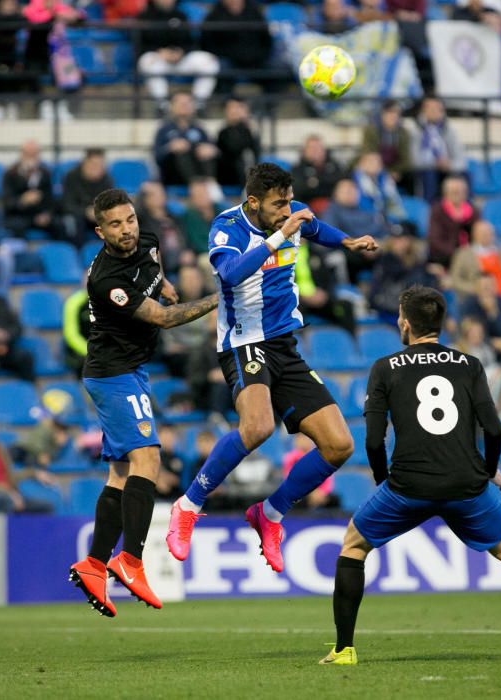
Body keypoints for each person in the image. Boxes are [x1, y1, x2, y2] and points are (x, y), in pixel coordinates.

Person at [320, 285, 501, 666]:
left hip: (408, 485)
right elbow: (494, 429)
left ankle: (345, 649)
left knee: (354, 547)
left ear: (406, 323)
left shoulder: (384, 368)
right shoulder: (470, 364)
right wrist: (486, 469)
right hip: (466, 483)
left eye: (400, 315)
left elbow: (374, 440)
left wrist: (385, 480)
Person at [165, 163, 378, 572]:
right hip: (245, 342)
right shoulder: (226, 228)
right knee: (258, 426)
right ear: (253, 202)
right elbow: (229, 274)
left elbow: (315, 229)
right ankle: (188, 505)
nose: (286, 211)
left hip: (283, 344)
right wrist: (282, 233)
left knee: (339, 445)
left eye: (288, 203)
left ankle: (271, 514)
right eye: (278, 205)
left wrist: (347, 242)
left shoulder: (290, 213)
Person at [69, 188, 218, 618]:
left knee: (119, 474)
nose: (127, 230)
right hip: (112, 373)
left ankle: (95, 563)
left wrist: (168, 287)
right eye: (115, 225)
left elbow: (156, 276)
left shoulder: (149, 240)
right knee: (148, 458)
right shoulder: (104, 280)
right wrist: (217, 299)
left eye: (129, 219)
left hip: (130, 370)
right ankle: (130, 560)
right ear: (101, 231)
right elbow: (164, 320)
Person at [0, 408, 57, 513]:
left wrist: (34, 473)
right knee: (4, 501)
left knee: (45, 507)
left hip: (6, 495)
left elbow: (10, 477)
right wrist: (7, 492)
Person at [136, 0, 219, 113]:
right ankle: (162, 105)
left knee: (209, 61)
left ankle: (199, 104)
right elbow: (139, 46)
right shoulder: (144, 17)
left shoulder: (180, 15)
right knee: (146, 61)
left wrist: (182, 51)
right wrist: (159, 52)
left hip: (182, 59)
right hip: (159, 60)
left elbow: (191, 42)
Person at [199, 0, 273, 87]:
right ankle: (227, 100)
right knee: (222, 70)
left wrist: (259, 55)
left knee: (273, 73)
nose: (234, 1)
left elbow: (266, 40)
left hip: (254, 58)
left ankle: (271, 100)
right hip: (227, 59)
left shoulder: (254, 13)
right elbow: (207, 43)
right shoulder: (214, 15)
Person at [153, 92, 218, 187]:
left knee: (205, 153)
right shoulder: (164, 130)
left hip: (199, 171)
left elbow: (214, 150)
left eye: (187, 103)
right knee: (181, 153)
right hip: (171, 176)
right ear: (172, 106)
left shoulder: (199, 129)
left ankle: (210, 186)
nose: (184, 106)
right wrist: (170, 148)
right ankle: (196, 186)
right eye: (180, 103)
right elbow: (157, 157)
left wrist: (211, 150)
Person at [411, 96, 467, 203]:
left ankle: (466, 213)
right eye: (431, 109)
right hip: (426, 169)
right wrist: (434, 163)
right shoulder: (416, 130)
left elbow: (461, 159)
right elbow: (414, 160)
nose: (434, 112)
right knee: (429, 175)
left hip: (447, 169)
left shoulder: (449, 130)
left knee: (464, 176)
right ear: (423, 111)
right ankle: (430, 210)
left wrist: (449, 164)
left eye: (438, 109)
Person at [2, 140, 56, 238]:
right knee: (17, 225)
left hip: (39, 214)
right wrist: (22, 200)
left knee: (59, 224)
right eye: (28, 154)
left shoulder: (45, 173)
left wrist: (47, 214)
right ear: (22, 154)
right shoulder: (10, 174)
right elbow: (6, 203)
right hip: (18, 215)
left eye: (34, 154)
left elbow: (50, 200)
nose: (31, 158)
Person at [448, 219, 501, 301]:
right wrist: (475, 289)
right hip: (479, 300)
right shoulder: (463, 254)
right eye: (483, 233)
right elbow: (455, 280)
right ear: (474, 234)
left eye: (489, 232)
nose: (487, 235)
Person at [62, 149, 114, 247]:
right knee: (74, 222)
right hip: (78, 215)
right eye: (94, 164)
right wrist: (86, 212)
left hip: (98, 216)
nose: (97, 168)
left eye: (100, 165)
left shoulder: (107, 179)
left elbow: (110, 203)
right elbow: (67, 205)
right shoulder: (71, 177)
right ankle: (78, 254)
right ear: (85, 163)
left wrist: (98, 213)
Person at [427, 175, 480, 269]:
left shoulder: (474, 211)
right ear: (446, 193)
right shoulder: (437, 210)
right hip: (444, 256)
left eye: (462, 192)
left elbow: (477, 235)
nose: (459, 195)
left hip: (469, 255)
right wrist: (457, 253)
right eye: (455, 192)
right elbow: (435, 240)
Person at [135, 181, 185, 275]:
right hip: (159, 262)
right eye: (154, 194)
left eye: (161, 193)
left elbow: (185, 237)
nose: (160, 196)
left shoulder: (174, 218)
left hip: (182, 262)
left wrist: (187, 251)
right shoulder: (141, 221)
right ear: (145, 199)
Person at [360, 100, 412, 188]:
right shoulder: (371, 131)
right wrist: (384, 172)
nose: (393, 116)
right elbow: (369, 153)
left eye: (396, 113)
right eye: (390, 112)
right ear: (383, 114)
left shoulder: (403, 133)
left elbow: (405, 159)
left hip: (396, 170)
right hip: (375, 167)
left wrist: (395, 171)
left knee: (411, 175)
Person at [291, 135, 345, 215]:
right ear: (305, 151)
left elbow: (342, 183)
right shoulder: (297, 169)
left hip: (336, 207)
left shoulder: (334, 166)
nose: (316, 151)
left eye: (319, 148)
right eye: (312, 148)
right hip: (308, 210)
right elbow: (299, 190)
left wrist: (316, 182)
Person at [282, 434, 338, 510]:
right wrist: (311, 493)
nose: (303, 441)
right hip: (302, 494)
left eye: (305, 437)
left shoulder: (321, 455)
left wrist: (322, 493)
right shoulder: (290, 458)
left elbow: (328, 478)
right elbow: (292, 480)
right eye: (299, 438)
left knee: (335, 499)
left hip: (320, 493)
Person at [215, 97, 260, 190]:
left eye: (238, 108)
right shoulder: (224, 132)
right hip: (229, 172)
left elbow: (256, 152)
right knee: (242, 161)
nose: (235, 111)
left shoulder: (249, 130)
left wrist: (248, 128)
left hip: (245, 170)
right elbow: (234, 149)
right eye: (232, 108)